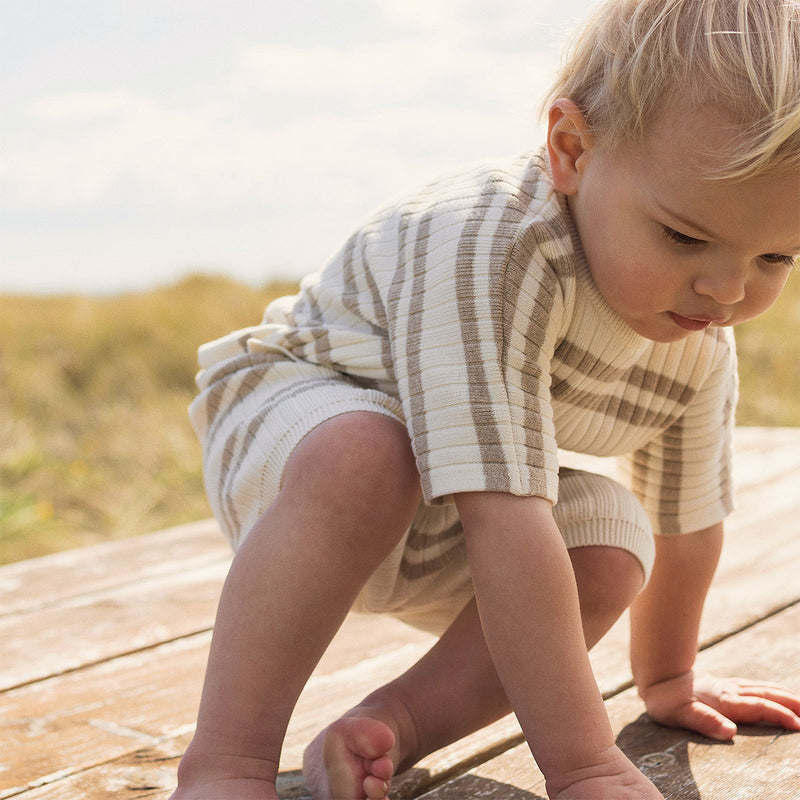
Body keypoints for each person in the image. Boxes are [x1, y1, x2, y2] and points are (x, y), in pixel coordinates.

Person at [171, 1, 800, 798]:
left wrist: (669, 678)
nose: (728, 287)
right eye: (683, 236)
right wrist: (583, 767)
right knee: (369, 455)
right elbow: (504, 512)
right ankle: (225, 762)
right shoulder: (490, 244)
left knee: (614, 541)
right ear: (571, 149)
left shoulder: (700, 332)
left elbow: (689, 523)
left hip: (437, 514)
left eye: (776, 255)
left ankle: (389, 725)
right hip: (294, 446)